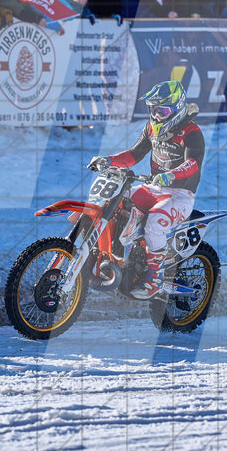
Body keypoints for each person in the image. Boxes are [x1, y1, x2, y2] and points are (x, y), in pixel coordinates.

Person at [86, 81, 205, 300]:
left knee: (155, 221)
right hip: (154, 187)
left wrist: (172, 174)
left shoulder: (192, 132)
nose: (157, 115)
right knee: (114, 202)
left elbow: (193, 164)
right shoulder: (151, 127)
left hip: (180, 194)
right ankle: (109, 256)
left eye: (162, 110)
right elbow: (134, 154)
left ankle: (155, 280)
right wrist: (108, 160)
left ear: (177, 108)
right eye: (153, 109)